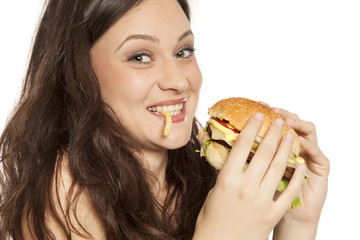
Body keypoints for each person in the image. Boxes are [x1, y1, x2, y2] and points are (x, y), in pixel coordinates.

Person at [0, 0, 330, 239]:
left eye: (183, 51)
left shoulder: (208, 175)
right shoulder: (63, 194)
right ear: (80, 73)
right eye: (140, 57)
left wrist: (296, 225)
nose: (178, 80)